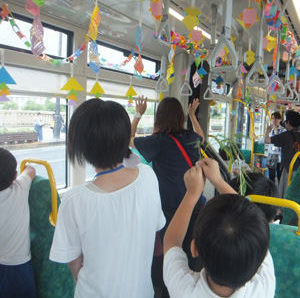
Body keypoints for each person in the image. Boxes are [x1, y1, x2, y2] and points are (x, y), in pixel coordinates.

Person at [50, 99, 165, 297]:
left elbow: (74, 264)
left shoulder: (74, 201)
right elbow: (156, 234)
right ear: (124, 139)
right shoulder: (147, 176)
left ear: (82, 147)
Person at [163, 158, 276, 298]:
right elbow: (171, 242)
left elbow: (171, 241)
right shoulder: (264, 287)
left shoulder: (184, 289)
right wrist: (217, 181)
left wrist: (192, 193)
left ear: (194, 248)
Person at [131, 96, 205, 296]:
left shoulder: (158, 141)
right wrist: (192, 115)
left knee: (170, 249)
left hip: (170, 206)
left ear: (159, 117)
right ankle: (190, 283)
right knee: (190, 247)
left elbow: (128, 141)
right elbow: (202, 137)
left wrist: (138, 113)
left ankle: (168, 289)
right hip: (195, 201)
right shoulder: (190, 138)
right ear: (180, 117)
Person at [0, 148, 37, 298]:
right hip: (18, 268)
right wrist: (26, 166)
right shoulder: (19, 188)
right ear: (15, 176)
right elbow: (31, 170)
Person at [264, 110, 300, 198]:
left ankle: (283, 210)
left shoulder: (286, 135)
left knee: (286, 193)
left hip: (289, 168)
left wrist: (267, 130)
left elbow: (267, 140)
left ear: (287, 122)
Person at [264, 111, 286, 183]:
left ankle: (279, 191)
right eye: (273, 118)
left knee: (280, 175)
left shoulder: (283, 131)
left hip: (280, 156)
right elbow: (265, 140)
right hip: (271, 155)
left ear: (280, 120)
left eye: (276, 119)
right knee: (271, 176)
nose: (274, 120)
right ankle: (272, 191)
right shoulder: (270, 131)